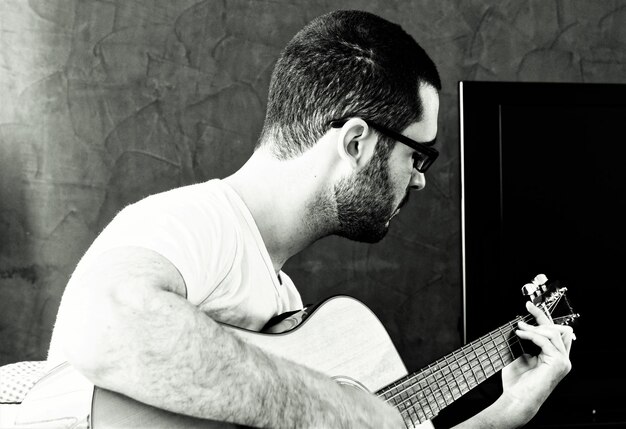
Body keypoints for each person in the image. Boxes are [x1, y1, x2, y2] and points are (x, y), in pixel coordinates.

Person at [47, 10, 574, 428]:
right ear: (355, 142)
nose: (419, 179)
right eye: (419, 154)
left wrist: (503, 415)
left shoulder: (287, 309)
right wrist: (338, 411)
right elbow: (105, 323)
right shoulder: (195, 222)